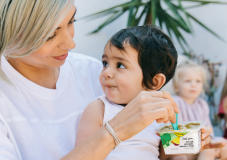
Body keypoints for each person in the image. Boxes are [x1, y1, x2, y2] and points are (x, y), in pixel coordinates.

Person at [0, 0, 225, 160]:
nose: (71, 42)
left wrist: (194, 141)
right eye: (50, 35)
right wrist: (115, 131)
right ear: (9, 34)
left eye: (71, 21)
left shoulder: (96, 75)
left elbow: (162, 147)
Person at [75, 25, 186, 160]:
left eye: (120, 65)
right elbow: (82, 154)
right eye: (105, 63)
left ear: (154, 82)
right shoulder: (99, 109)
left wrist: (187, 144)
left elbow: (168, 157)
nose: (107, 72)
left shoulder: (160, 115)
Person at [171, 61, 227, 160]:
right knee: (208, 149)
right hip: (180, 145)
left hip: (200, 142)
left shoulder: (202, 104)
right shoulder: (175, 102)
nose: (193, 85)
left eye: (198, 81)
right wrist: (207, 145)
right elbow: (176, 133)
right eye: (188, 81)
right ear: (176, 86)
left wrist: (212, 143)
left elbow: (208, 128)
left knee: (224, 144)